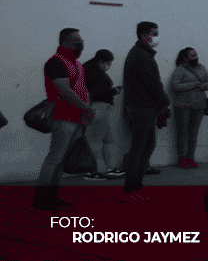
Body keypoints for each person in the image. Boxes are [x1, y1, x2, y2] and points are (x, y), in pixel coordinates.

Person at [31, 28, 94, 212]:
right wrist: (86, 109)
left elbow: (82, 91)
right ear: (66, 41)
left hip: (77, 117)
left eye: (81, 39)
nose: (81, 43)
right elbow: (65, 91)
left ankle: (52, 195)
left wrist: (84, 113)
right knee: (55, 157)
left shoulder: (77, 64)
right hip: (62, 116)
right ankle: (41, 198)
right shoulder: (55, 62)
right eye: (77, 40)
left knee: (62, 158)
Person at [122, 21, 170, 204]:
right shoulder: (142, 56)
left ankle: (136, 187)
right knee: (140, 148)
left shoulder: (141, 53)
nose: (157, 37)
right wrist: (164, 102)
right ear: (145, 36)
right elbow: (152, 83)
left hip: (143, 106)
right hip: (142, 107)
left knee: (145, 146)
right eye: (155, 34)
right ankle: (131, 189)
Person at [83, 49, 124, 181]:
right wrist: (114, 91)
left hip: (101, 107)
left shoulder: (88, 69)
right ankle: (99, 171)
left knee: (107, 139)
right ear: (101, 61)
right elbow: (100, 92)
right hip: (99, 107)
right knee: (96, 140)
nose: (109, 66)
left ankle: (109, 168)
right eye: (109, 63)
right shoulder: (95, 72)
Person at [169, 47, 208, 169]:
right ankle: (182, 158)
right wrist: (193, 84)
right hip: (183, 105)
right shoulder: (180, 70)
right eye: (192, 56)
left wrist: (204, 86)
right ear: (185, 58)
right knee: (182, 132)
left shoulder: (201, 68)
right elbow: (175, 86)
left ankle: (191, 157)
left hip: (199, 105)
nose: (196, 57)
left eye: (196, 55)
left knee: (194, 133)